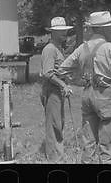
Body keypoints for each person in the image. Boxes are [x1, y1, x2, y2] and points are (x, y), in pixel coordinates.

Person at [56, 11, 111, 164]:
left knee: (88, 140)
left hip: (87, 95)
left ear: (93, 29)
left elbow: (62, 69)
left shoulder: (82, 48)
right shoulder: (109, 48)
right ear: (104, 29)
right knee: (109, 140)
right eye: (110, 28)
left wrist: (78, 80)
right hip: (106, 95)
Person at [40, 17, 74, 162]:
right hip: (51, 90)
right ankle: (54, 158)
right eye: (60, 31)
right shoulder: (50, 49)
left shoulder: (58, 48)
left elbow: (58, 70)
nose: (64, 33)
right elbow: (47, 73)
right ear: (52, 33)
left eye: (65, 30)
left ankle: (58, 155)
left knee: (59, 123)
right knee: (54, 125)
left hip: (57, 90)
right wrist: (63, 84)